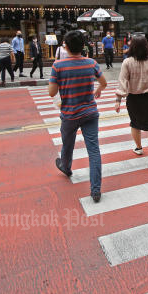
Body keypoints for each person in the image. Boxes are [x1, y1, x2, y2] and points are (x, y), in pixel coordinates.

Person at [50, 30, 107, 203]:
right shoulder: (91, 63)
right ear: (84, 46)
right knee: (94, 150)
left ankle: (66, 167)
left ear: (65, 46)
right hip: (90, 113)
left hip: (69, 114)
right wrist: (97, 90)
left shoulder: (58, 66)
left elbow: (52, 92)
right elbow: (103, 83)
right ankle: (95, 190)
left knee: (68, 145)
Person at [115, 35, 148, 168]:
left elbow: (122, 82)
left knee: (135, 124)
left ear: (132, 46)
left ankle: (138, 148)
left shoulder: (127, 62)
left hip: (133, 99)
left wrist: (118, 100)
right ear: (146, 46)